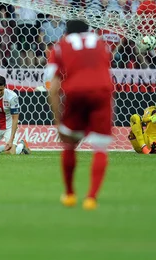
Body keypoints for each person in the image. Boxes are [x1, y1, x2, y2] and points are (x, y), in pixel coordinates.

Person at [46, 19, 113, 211]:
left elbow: (53, 87)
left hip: (75, 92)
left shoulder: (60, 46)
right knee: (100, 147)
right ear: (89, 31)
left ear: (66, 33)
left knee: (69, 144)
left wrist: (58, 122)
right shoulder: (101, 43)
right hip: (102, 91)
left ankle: (69, 194)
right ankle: (91, 198)